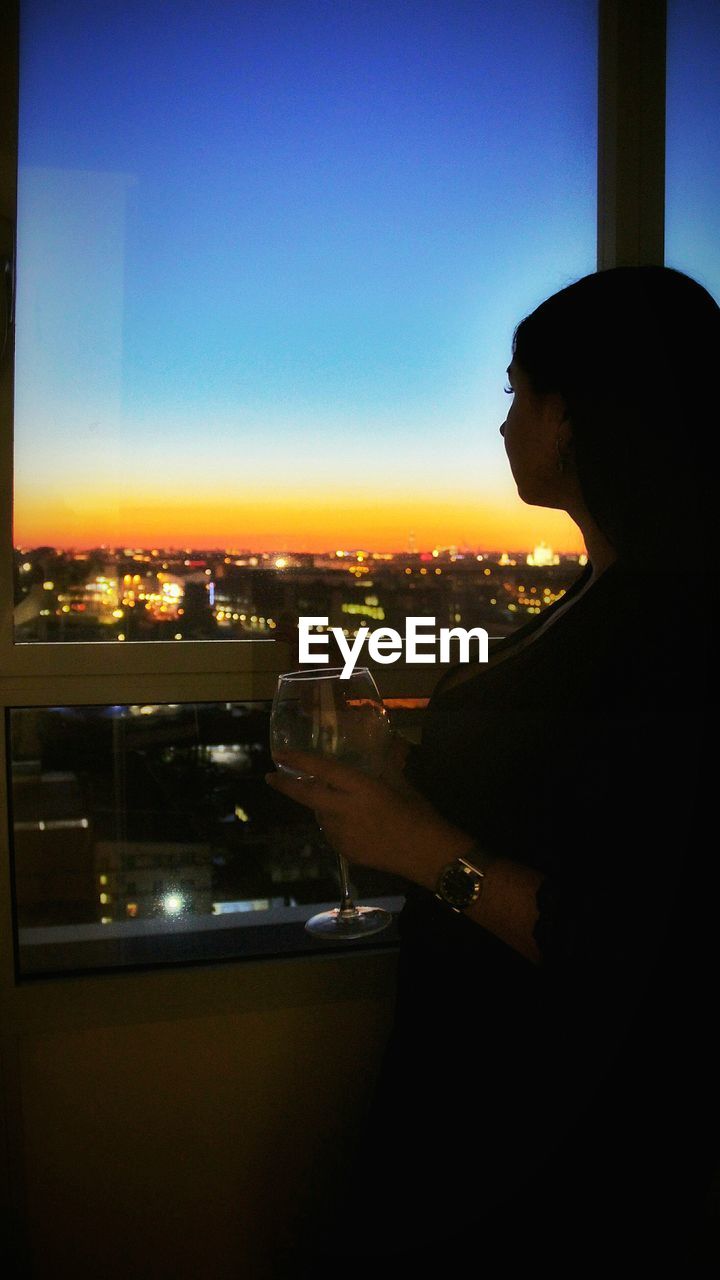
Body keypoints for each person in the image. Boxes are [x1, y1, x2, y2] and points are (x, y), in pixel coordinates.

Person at [267, 266, 718, 1271]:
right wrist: (402, 758)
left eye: (515, 391)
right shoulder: (610, 594)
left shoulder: (672, 631)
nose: (503, 422)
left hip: (553, 1132)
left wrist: (419, 845)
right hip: (497, 1093)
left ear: (568, 416)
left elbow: (629, 939)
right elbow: (566, 789)